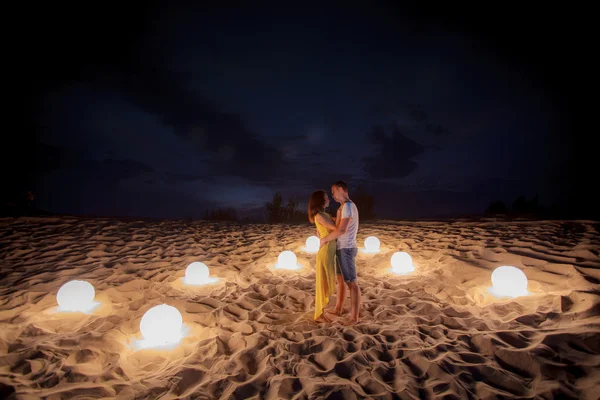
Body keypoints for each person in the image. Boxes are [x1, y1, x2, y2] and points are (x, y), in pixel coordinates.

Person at [320, 181, 361, 325]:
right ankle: (338, 309)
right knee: (341, 281)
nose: (332, 195)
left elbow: (341, 230)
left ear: (341, 189)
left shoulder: (349, 206)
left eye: (333, 191)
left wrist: (324, 239)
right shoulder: (344, 207)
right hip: (341, 248)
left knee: (352, 283)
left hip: (347, 249)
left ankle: (354, 318)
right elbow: (337, 224)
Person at [308, 190, 338, 322]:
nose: (329, 200)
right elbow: (336, 228)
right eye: (326, 198)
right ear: (320, 201)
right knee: (323, 282)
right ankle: (319, 314)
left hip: (329, 250)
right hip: (325, 251)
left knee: (325, 281)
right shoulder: (320, 215)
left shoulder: (324, 214)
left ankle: (322, 312)